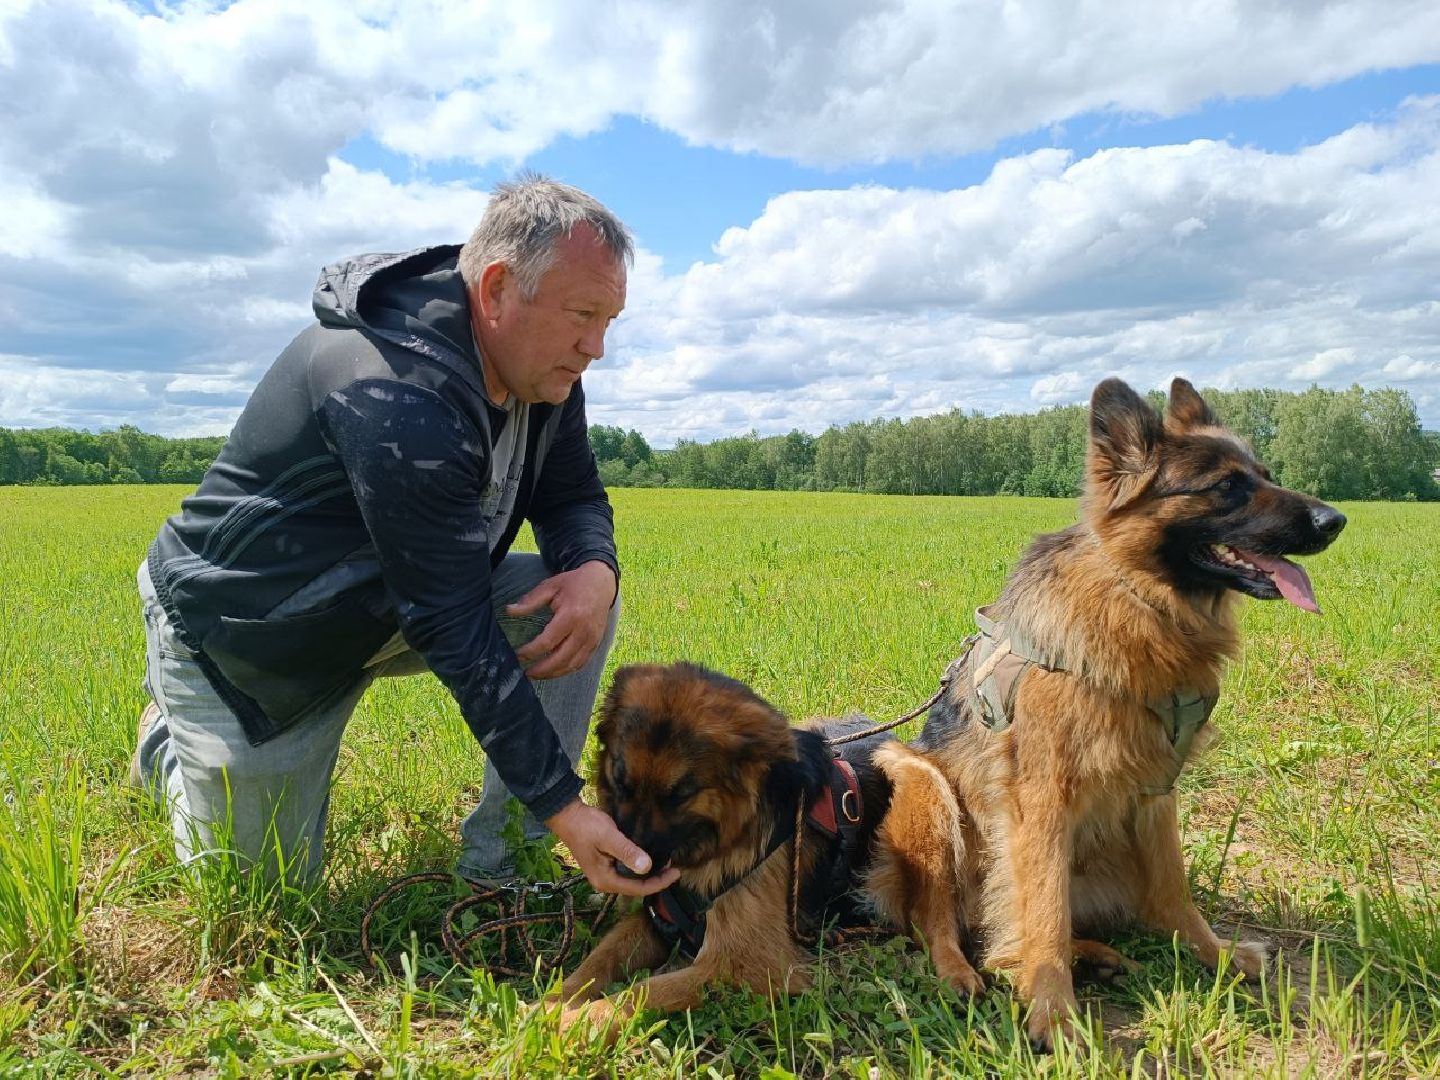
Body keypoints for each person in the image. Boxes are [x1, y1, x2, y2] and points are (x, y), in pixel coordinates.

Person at [131, 175, 679, 899]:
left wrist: (595, 571)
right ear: (495, 290)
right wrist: (565, 805)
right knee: (260, 900)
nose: (596, 347)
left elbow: (573, 494)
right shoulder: (395, 392)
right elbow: (451, 622)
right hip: (254, 640)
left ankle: (499, 865)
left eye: (609, 319)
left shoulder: (545, 376)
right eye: (583, 314)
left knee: (568, 604)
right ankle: (167, 748)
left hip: (391, 604)